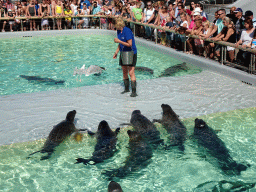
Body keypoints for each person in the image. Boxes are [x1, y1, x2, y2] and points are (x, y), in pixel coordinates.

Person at [113, 18, 138, 97]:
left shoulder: (127, 31)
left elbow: (129, 44)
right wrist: (116, 52)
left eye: (115, 25)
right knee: (124, 71)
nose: (114, 27)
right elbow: (120, 44)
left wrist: (119, 41)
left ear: (118, 25)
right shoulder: (118, 31)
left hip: (131, 52)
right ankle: (126, 89)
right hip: (123, 52)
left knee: (131, 72)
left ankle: (134, 91)